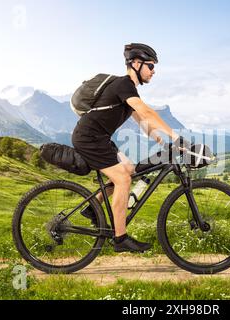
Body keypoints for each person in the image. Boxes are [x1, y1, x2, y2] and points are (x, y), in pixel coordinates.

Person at [72, 43, 189, 253]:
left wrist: (163, 142)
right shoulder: (123, 84)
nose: (154, 72)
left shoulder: (127, 89)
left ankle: (92, 208)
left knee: (129, 169)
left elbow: (142, 121)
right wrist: (176, 136)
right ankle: (120, 238)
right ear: (136, 63)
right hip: (89, 139)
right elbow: (147, 112)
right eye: (151, 66)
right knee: (123, 179)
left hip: (99, 138)